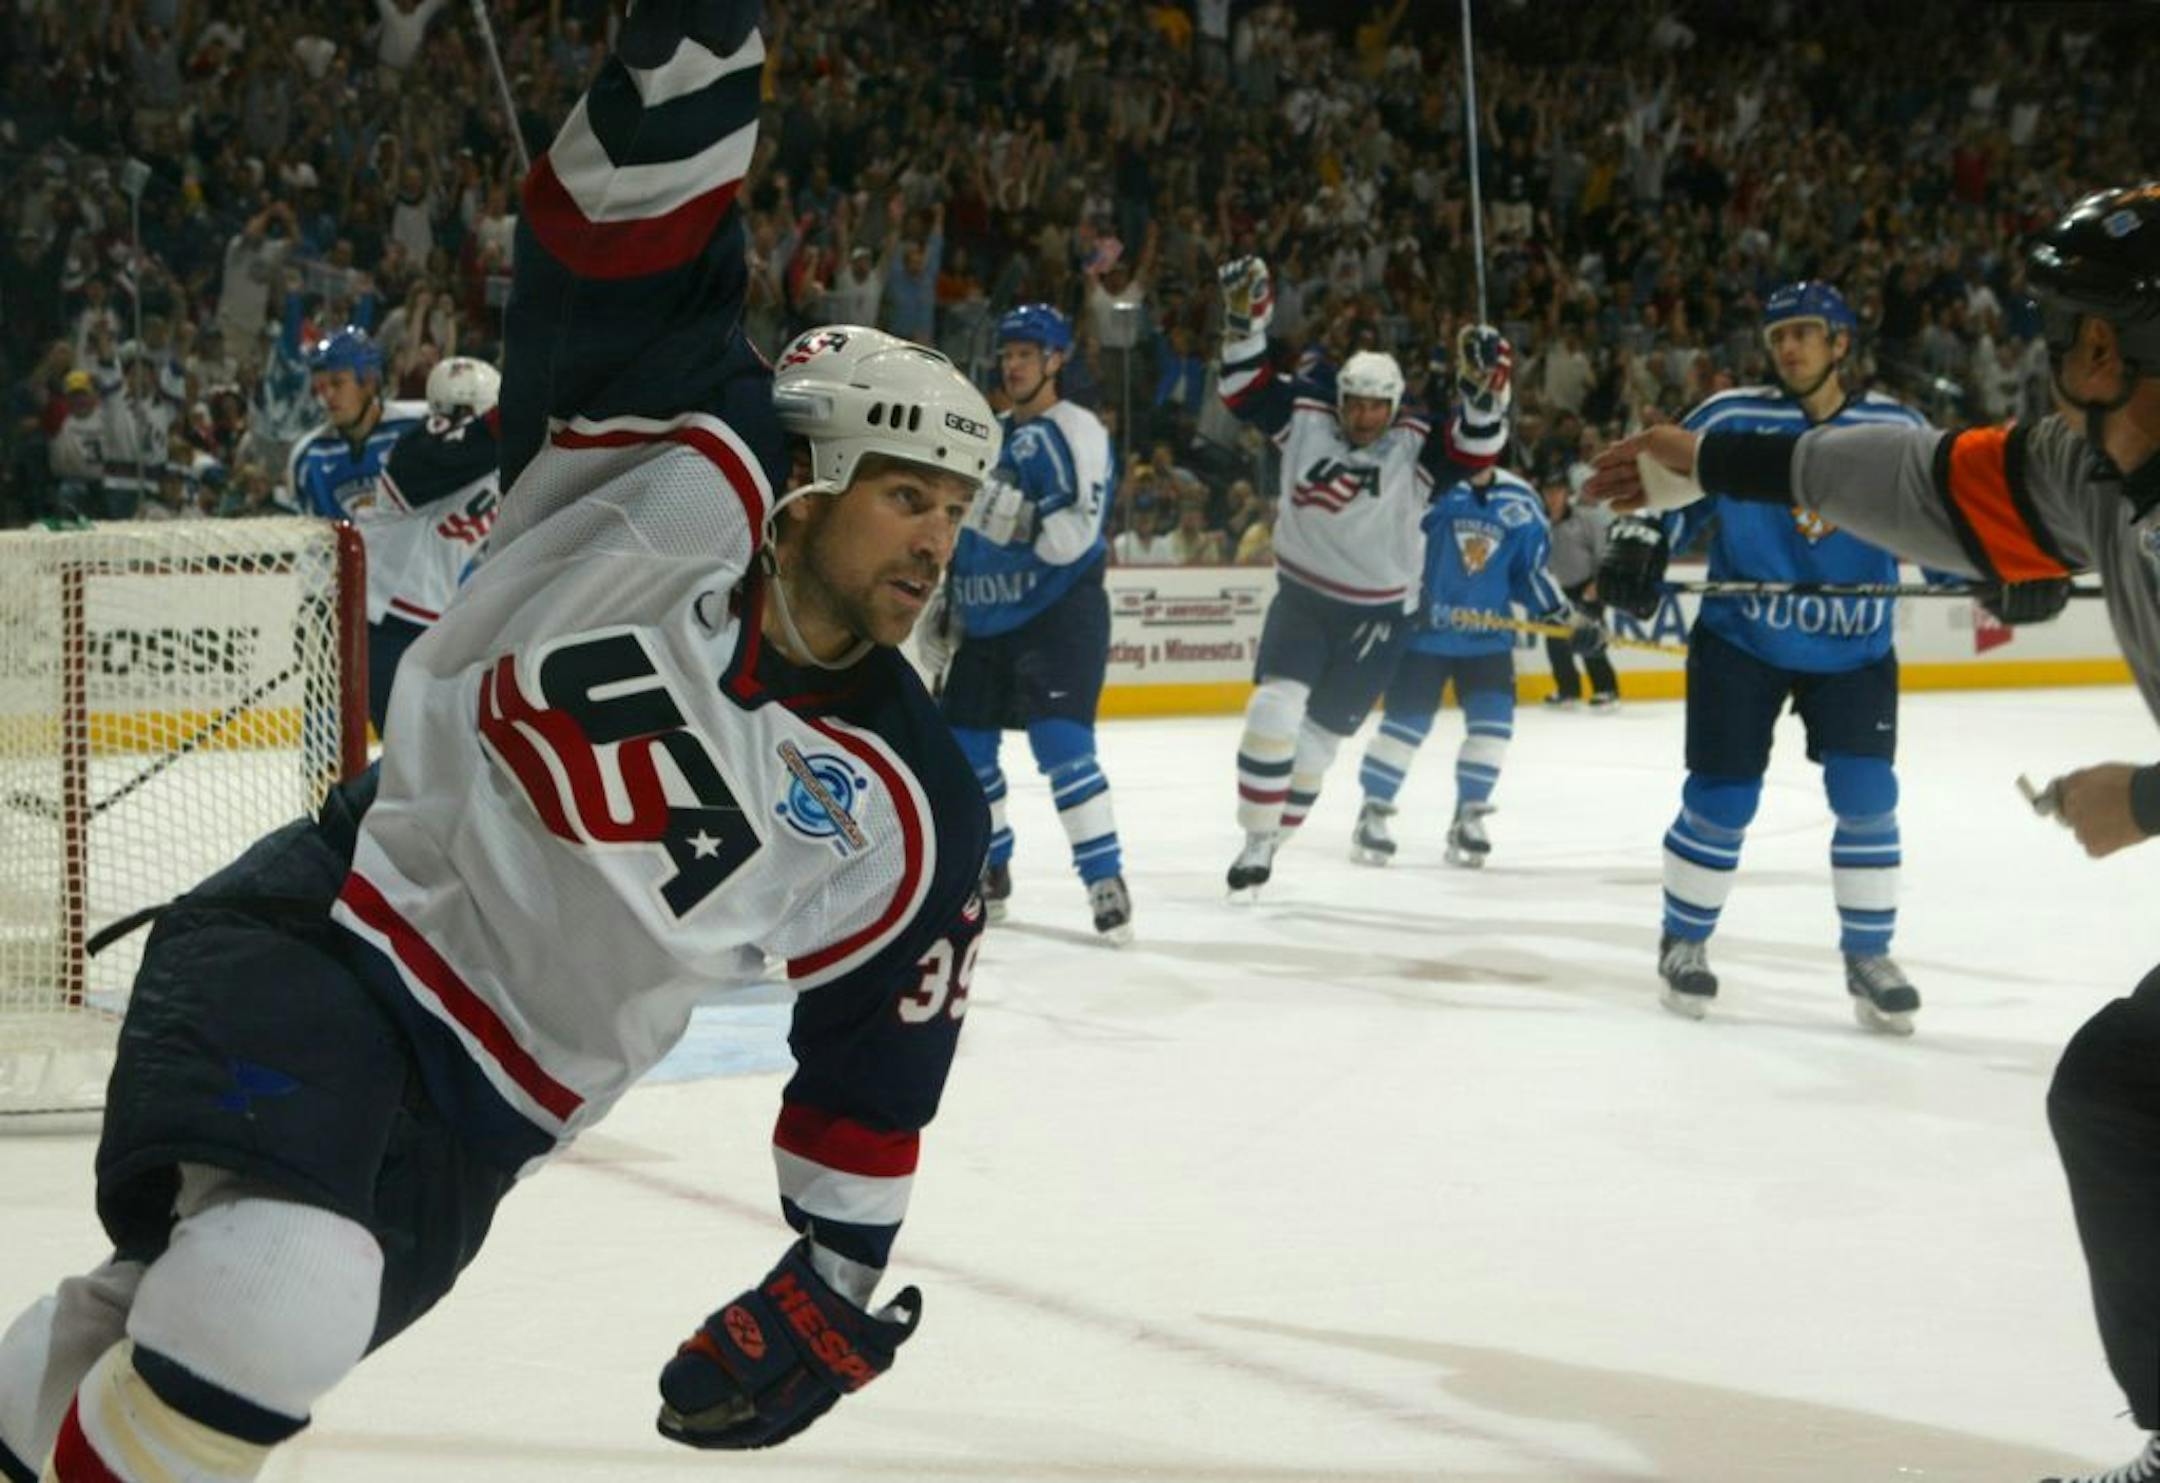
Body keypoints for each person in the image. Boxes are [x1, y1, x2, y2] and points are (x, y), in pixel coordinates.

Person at [0, 6, 1001, 1477]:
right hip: (339, 929)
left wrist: (835, 1280)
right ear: (818, 471)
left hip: (495, 1114)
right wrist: (696, 43)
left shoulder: (915, 805)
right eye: (908, 491)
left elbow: (879, 1053)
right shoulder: (683, 453)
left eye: (955, 508)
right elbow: (624, 237)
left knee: (173, 1317)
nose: (935, 537)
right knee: (279, 1293)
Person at [1585, 181, 2160, 1483]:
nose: (2063, 363)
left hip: (1855, 668)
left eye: (2082, 335)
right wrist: (1707, 462)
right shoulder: (2094, 468)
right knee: (2123, 1091)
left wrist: (2150, 796)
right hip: (1753, 643)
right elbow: (1922, 480)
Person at [1594, 282, 1935, 1032]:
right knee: (1723, 798)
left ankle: (1868, 955)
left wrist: (1992, 578)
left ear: (1841, 343)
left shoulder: (1896, 428)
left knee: (1867, 794)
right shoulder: (1730, 417)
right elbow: (1662, 501)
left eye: (1806, 332)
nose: (1789, 347)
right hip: (1741, 641)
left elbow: (1937, 519)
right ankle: (1684, 940)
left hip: (1854, 647)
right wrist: (1641, 541)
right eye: (1779, 334)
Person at [1214, 251, 1512, 894]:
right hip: (1303, 597)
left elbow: (1481, 445)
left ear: (1394, 405)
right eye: (1356, 402)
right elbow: (1243, 389)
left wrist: (1487, 390)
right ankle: (1255, 838)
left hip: (1380, 616)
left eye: (1377, 406)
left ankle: (1275, 839)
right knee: (1273, 707)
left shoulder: (1417, 442)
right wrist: (1245, 323)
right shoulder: (1306, 419)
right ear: (1341, 397)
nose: (1364, 415)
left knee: (1318, 747)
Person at [932, 303, 1132, 943]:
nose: (1013, 364)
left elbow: (1070, 537)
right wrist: (947, 600)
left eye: (1027, 354)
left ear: (1055, 361)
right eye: (1008, 353)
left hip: (1058, 612)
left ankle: (1104, 876)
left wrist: (1001, 514)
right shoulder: (986, 433)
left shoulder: (1075, 428)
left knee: (1062, 746)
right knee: (963, 752)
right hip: (986, 618)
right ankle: (992, 870)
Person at [1351, 461, 1584, 867]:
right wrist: (1410, 603)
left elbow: (1529, 574)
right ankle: (1373, 809)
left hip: (1486, 642)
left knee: (1492, 730)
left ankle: (1470, 813)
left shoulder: (1521, 502)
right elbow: (1389, 551)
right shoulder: (1426, 488)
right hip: (1424, 637)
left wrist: (1568, 618)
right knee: (1404, 729)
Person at [355, 355, 505, 734]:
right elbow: (466, 450)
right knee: (415, 748)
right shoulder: (424, 446)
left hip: (427, 620)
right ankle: (354, 796)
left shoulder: (496, 458)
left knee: (432, 748)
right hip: (383, 616)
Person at [1540, 472, 1621, 709]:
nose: (1553, 497)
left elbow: (1603, 553)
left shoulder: (1585, 520)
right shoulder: (1541, 523)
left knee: (1589, 639)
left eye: (1557, 492)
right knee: (1555, 642)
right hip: (1558, 591)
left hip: (1587, 587)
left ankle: (1606, 689)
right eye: (1548, 492)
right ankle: (1568, 691)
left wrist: (1597, 583)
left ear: (1566, 494)